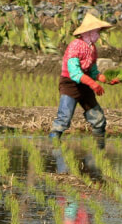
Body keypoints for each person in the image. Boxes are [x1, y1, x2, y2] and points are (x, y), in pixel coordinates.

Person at [49, 13, 117, 142]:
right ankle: (52, 147)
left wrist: (106, 80)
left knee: (98, 119)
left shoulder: (92, 48)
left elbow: (93, 71)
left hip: (85, 84)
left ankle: (98, 149)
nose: (98, 35)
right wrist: (93, 84)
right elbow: (74, 73)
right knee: (64, 119)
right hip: (70, 84)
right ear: (88, 32)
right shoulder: (75, 46)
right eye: (96, 32)